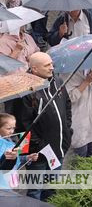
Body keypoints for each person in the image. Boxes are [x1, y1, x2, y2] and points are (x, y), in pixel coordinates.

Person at [11, 52, 72, 201]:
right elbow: (23, 125)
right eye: (47, 65)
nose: (52, 68)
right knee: (35, 193)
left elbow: (67, 106)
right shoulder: (25, 90)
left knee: (52, 189)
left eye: (52, 64)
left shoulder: (57, 81)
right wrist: (41, 147)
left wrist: (67, 131)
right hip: (37, 155)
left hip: (58, 149)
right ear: (34, 69)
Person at [63, 68, 92, 158]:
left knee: (91, 154)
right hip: (78, 120)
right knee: (80, 155)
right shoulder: (68, 73)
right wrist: (86, 82)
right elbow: (69, 97)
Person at [0, 113, 39, 190]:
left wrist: (27, 158)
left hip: (8, 182)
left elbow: (16, 159)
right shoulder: (3, 144)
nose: (11, 131)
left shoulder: (9, 141)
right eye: (8, 128)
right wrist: (7, 158)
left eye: (13, 128)